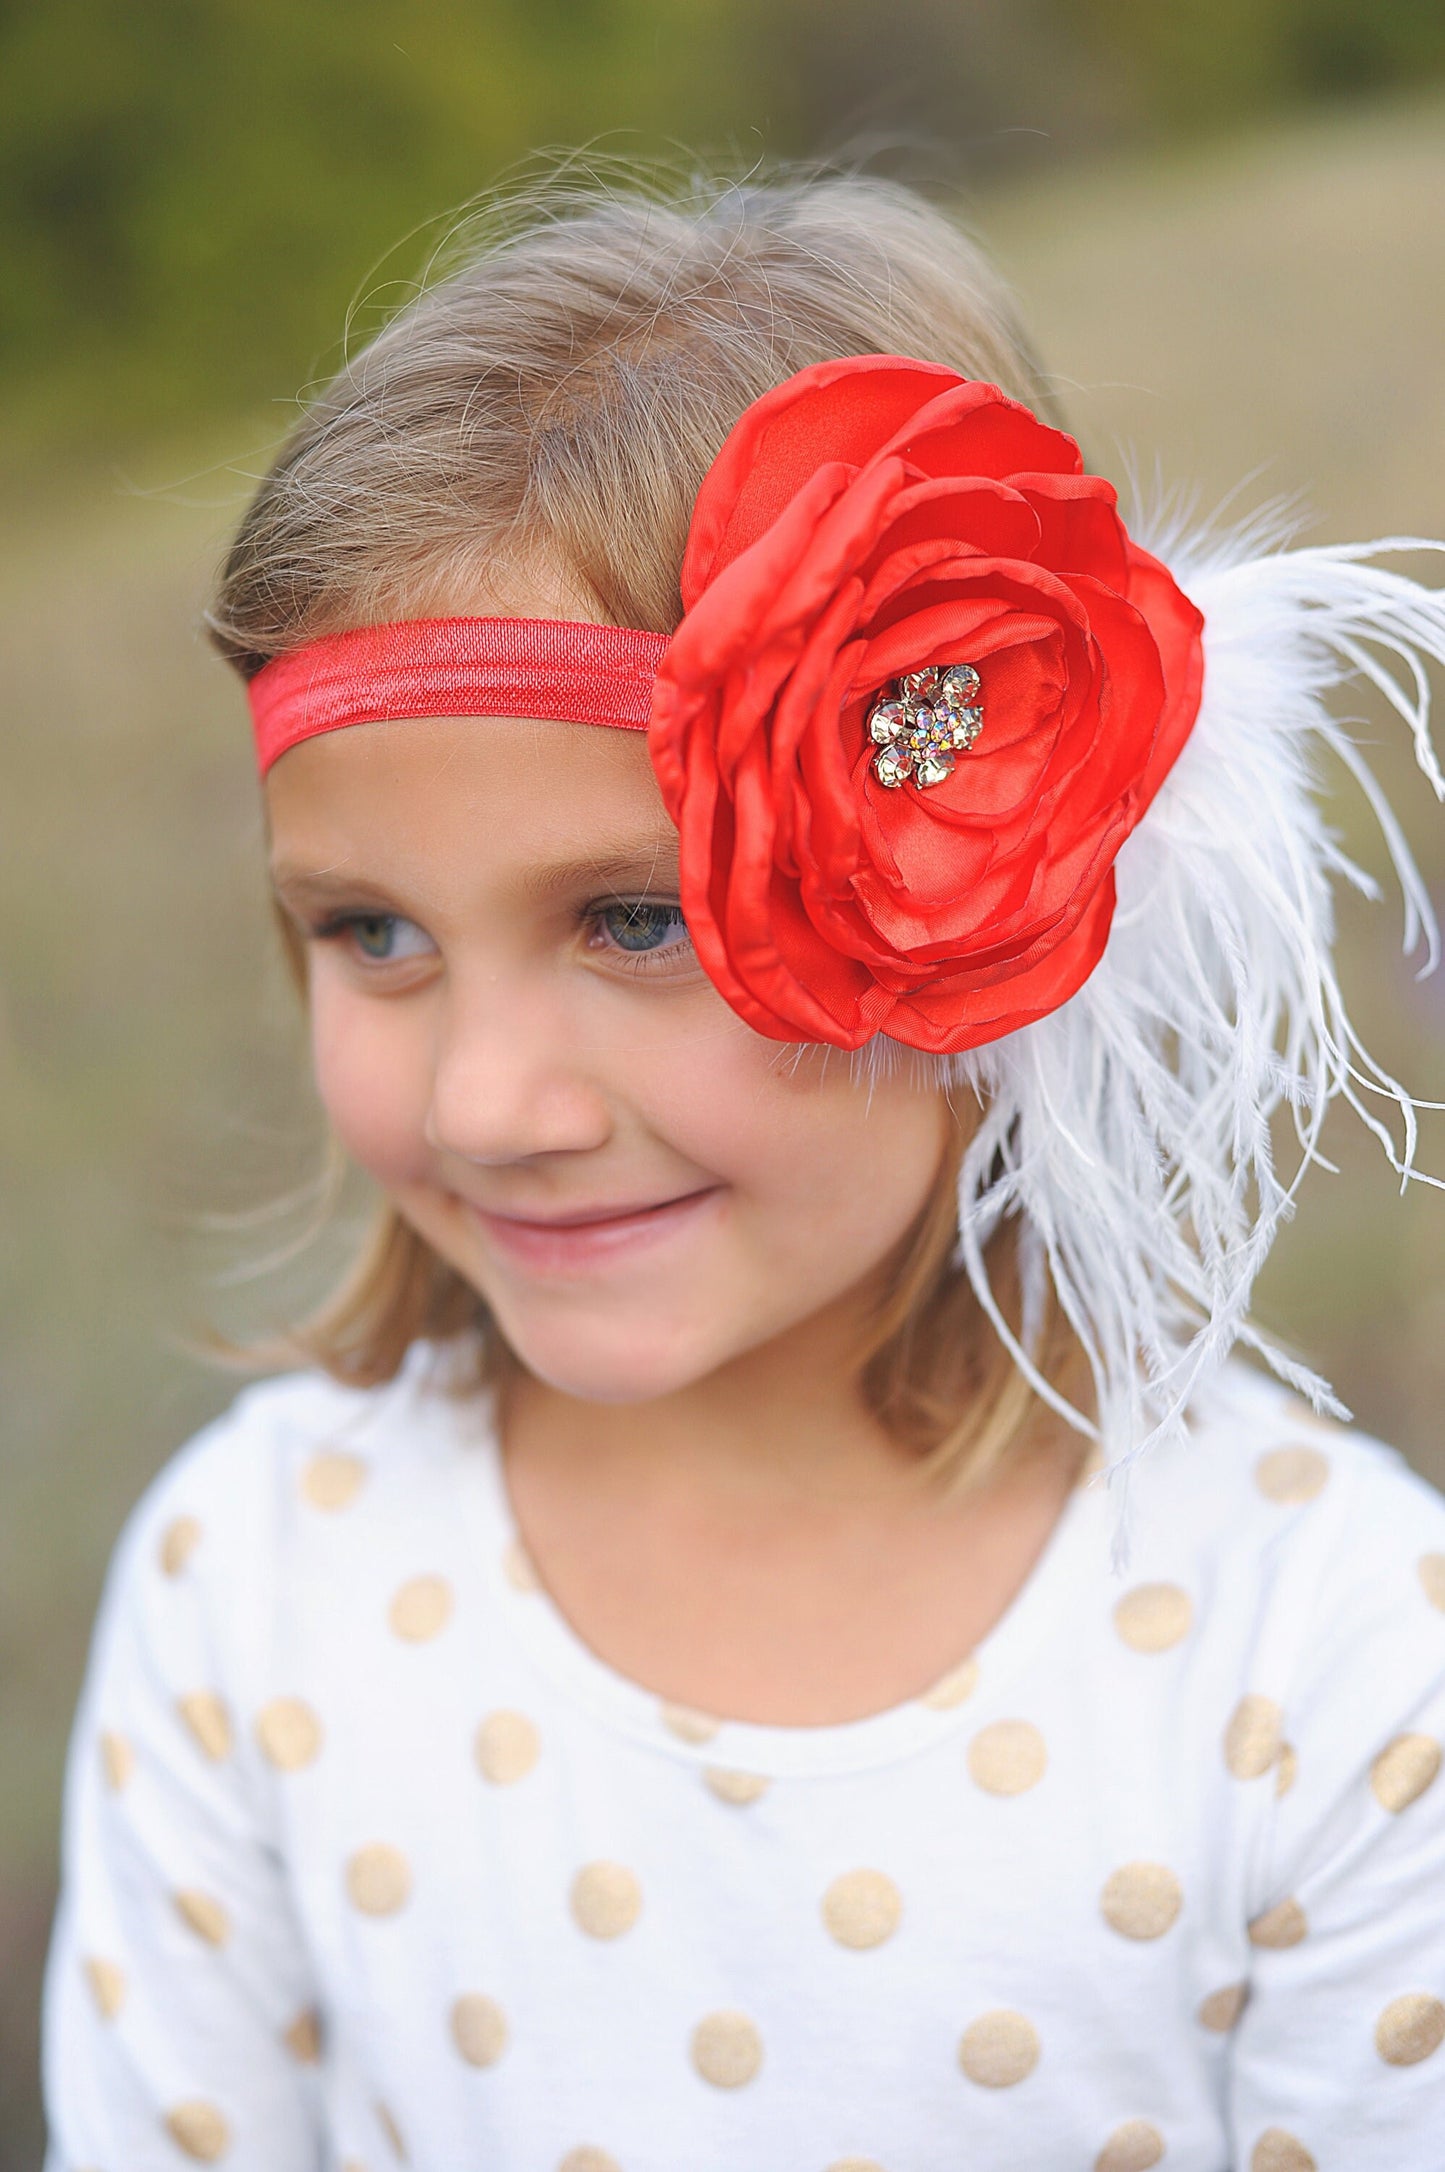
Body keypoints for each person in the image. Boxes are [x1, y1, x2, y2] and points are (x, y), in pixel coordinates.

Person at [40, 167, 1445, 2172]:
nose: (483, 1101)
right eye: (373, 933)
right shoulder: (257, 1592)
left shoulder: (1333, 1678)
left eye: (635, 920)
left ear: (1002, 893)